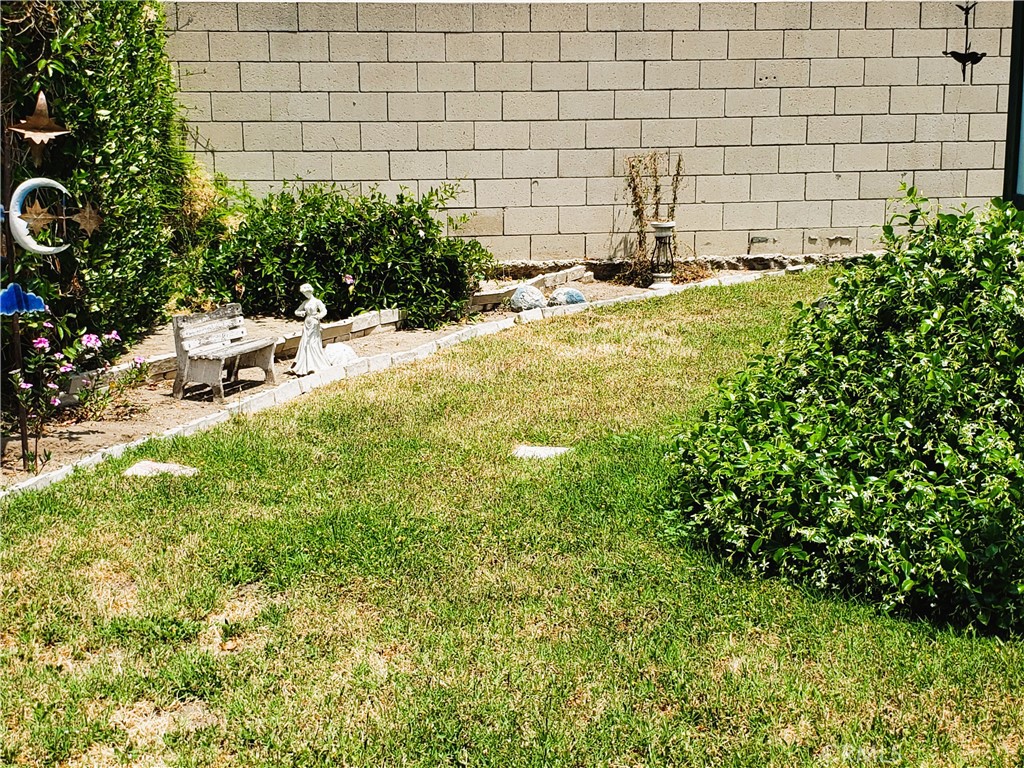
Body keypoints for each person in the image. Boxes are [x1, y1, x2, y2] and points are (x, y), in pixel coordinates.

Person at [291, 283, 331, 375]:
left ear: (310, 291)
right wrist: (300, 313)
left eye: (306, 293)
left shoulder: (317, 301)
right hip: (307, 322)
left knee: (312, 343)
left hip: (314, 322)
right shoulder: (305, 302)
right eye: (304, 294)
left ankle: (314, 364)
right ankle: (305, 364)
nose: (305, 295)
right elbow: (296, 311)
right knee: (305, 342)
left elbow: (324, 310)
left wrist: (319, 316)